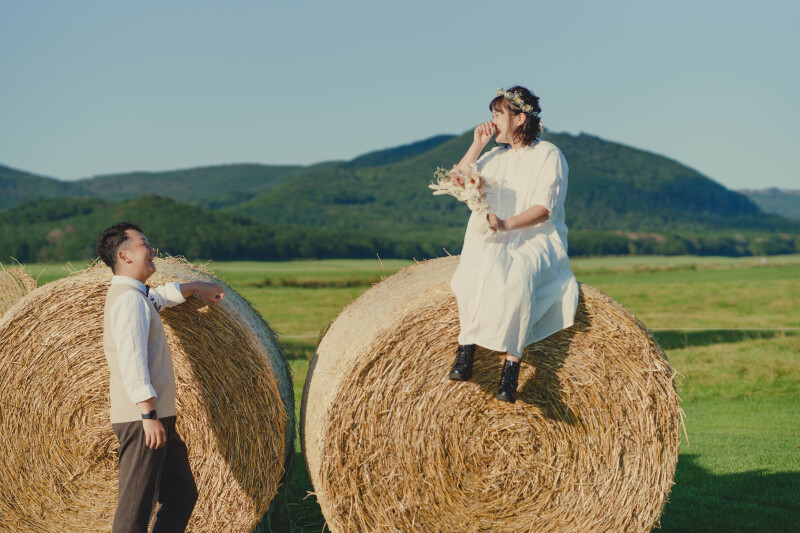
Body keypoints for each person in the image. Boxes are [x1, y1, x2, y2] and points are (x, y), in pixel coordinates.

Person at [448, 86, 579, 403]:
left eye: (497, 114)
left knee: (519, 274)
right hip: (496, 236)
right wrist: (477, 144)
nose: (491, 120)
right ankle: (466, 348)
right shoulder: (494, 156)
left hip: (537, 238)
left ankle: (511, 365)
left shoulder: (548, 155)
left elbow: (544, 209)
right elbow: (457, 180)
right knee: (474, 269)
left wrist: (506, 224)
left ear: (520, 119)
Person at [96, 222, 226, 533]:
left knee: (181, 494)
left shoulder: (136, 296)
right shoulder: (128, 300)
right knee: (135, 510)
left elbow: (158, 300)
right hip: (143, 419)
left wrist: (193, 287)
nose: (151, 249)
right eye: (144, 244)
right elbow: (132, 361)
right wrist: (148, 414)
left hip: (158, 416)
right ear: (125, 255)